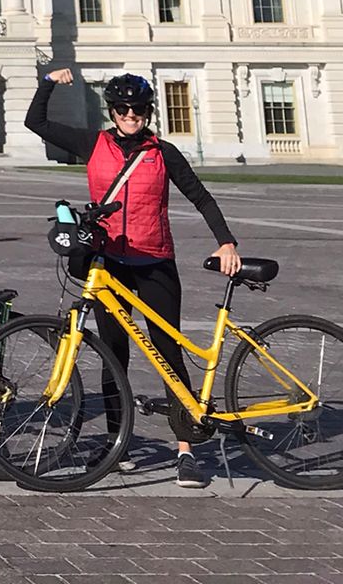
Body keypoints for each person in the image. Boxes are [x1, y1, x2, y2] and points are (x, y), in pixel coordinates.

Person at [26, 67, 241, 489]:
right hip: (110, 263)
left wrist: (226, 242)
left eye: (138, 109)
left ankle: (185, 448)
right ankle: (115, 442)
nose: (130, 115)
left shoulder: (163, 152)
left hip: (155, 261)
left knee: (168, 352)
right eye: (123, 108)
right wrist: (49, 82)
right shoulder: (94, 143)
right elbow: (37, 122)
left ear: (147, 112)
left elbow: (200, 196)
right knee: (113, 354)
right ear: (112, 111)